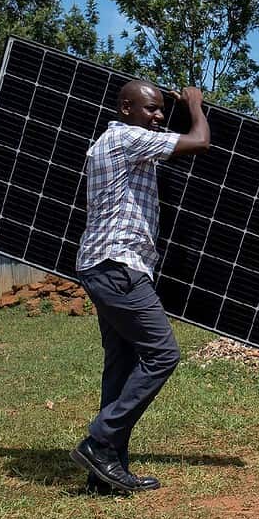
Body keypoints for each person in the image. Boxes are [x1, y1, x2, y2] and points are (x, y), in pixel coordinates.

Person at [69, 79, 210, 494]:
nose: (159, 116)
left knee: (121, 367)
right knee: (163, 354)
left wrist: (175, 110)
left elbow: (171, 142)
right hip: (119, 267)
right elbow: (200, 142)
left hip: (104, 267)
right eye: (151, 108)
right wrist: (195, 105)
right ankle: (98, 442)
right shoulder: (126, 139)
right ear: (125, 107)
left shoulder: (122, 144)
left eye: (162, 109)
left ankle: (105, 473)